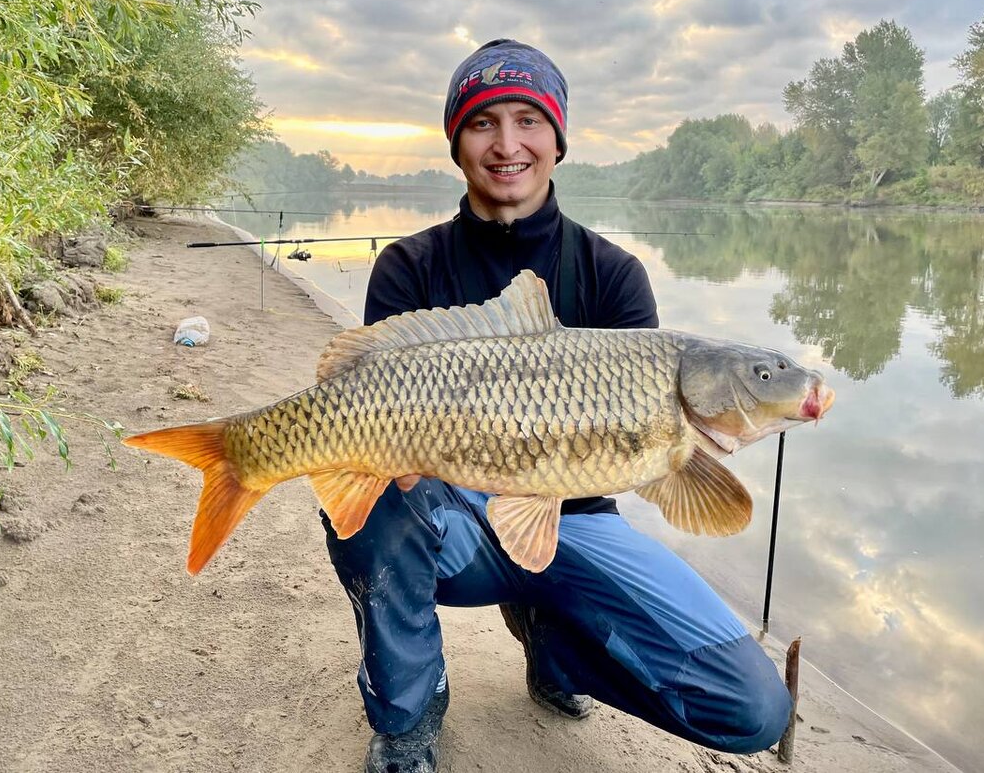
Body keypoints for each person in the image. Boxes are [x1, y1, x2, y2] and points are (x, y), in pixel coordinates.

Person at [322, 38, 792, 773]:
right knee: (367, 495)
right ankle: (408, 713)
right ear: (457, 141)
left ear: (558, 139)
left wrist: (691, 447)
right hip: (454, 528)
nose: (507, 145)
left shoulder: (614, 275)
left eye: (528, 121)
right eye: (483, 123)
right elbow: (360, 401)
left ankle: (558, 650)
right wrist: (398, 464)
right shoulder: (409, 266)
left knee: (753, 709)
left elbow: (654, 479)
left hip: (576, 523)